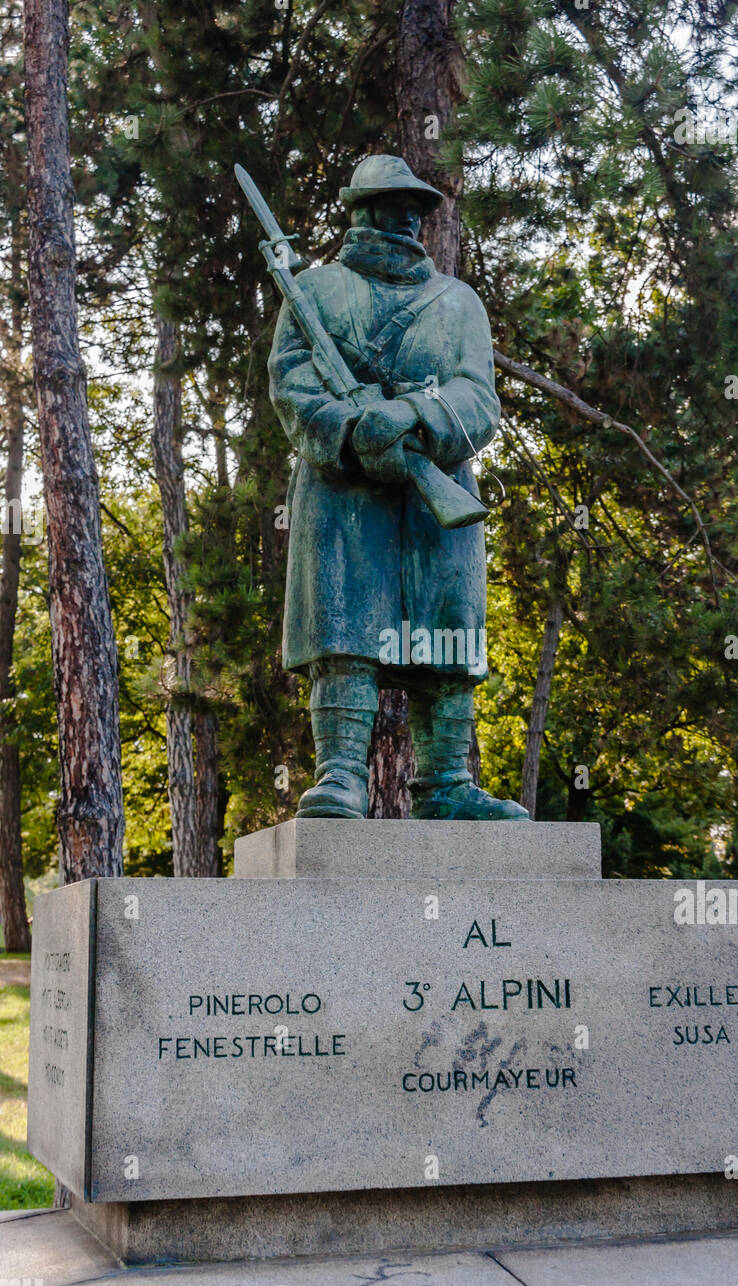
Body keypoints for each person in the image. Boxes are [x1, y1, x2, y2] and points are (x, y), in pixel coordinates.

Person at [268, 153, 528, 821]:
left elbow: (479, 397)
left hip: (434, 482)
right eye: (394, 201)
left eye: (418, 203)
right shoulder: (316, 290)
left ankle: (447, 786)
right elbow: (293, 385)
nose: (412, 214)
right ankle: (341, 777)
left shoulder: (457, 301)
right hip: (341, 490)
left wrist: (413, 415)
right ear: (362, 210)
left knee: (447, 635)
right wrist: (355, 435)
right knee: (344, 630)